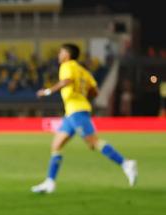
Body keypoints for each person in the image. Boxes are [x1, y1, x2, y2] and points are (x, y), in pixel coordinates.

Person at [32, 43, 137, 194]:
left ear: (67, 55)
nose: (59, 55)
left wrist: (48, 91)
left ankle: (126, 163)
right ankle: (50, 182)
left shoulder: (67, 66)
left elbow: (66, 81)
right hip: (72, 112)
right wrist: (82, 96)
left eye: (61, 52)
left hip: (76, 111)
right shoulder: (83, 71)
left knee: (93, 143)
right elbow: (95, 91)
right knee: (56, 145)